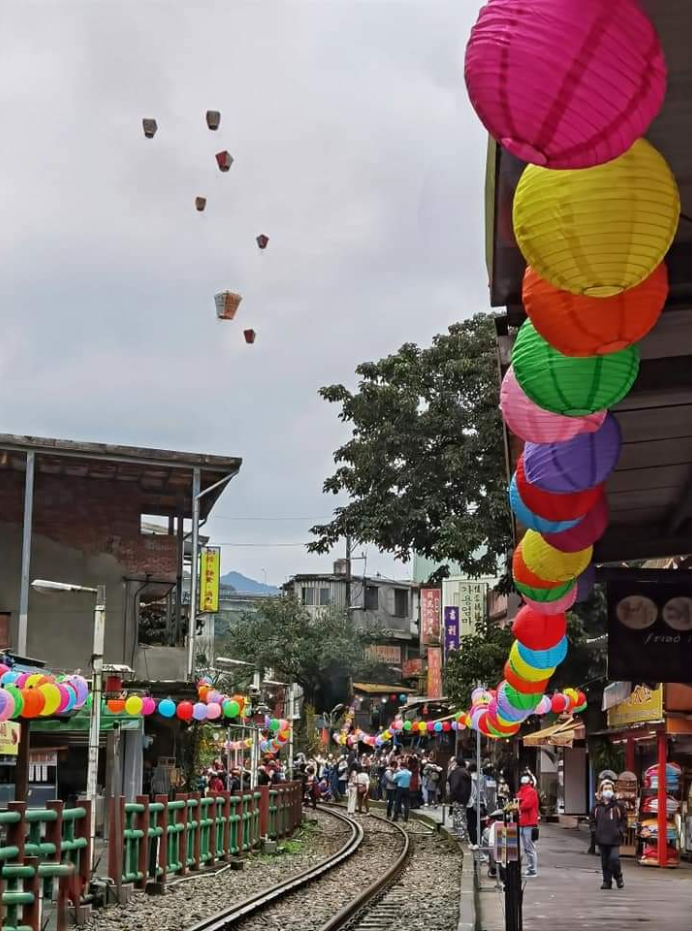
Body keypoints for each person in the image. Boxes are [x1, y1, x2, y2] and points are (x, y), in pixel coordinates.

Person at [591, 781, 626, 890]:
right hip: (601, 838)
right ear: (600, 792)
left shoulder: (618, 806)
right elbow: (592, 821)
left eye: (609, 788)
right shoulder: (597, 807)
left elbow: (624, 820)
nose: (607, 791)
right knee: (605, 861)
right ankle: (607, 881)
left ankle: (618, 876)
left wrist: (620, 831)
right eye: (605, 788)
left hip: (614, 838)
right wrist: (594, 831)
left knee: (614, 859)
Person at [517, 771, 540, 878]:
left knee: (529, 847)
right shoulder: (521, 792)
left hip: (529, 823)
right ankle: (531, 868)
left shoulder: (531, 791)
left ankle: (533, 869)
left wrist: (517, 806)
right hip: (522, 823)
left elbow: (526, 805)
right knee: (527, 848)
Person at [449, 758, 472, 840]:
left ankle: (461, 834)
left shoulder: (457, 772)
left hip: (458, 797)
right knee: (463, 816)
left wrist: (452, 796)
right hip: (465, 797)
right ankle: (465, 834)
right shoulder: (466, 771)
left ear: (457, 763)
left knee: (458, 816)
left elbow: (455, 785)